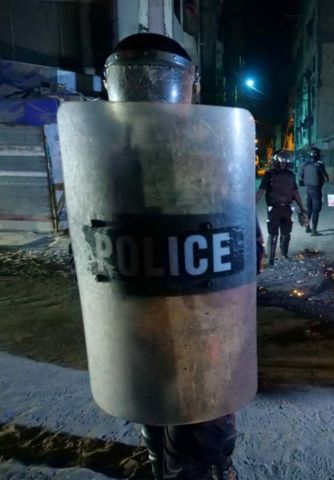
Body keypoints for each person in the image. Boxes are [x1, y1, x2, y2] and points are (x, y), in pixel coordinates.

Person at [102, 33, 239, 480]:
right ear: (187, 87)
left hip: (139, 327)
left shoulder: (109, 152)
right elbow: (240, 252)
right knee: (194, 429)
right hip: (193, 329)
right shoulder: (204, 148)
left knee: (160, 419)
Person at [256, 150, 306, 266]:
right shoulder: (290, 175)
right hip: (287, 208)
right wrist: (302, 208)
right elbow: (296, 193)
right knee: (286, 233)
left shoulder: (269, 174)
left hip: (274, 209)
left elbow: (260, 192)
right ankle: (284, 255)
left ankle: (272, 259)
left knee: (274, 234)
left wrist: (250, 205)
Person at [299, 147, 329, 236]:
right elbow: (326, 178)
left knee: (309, 209)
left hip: (308, 190)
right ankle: (314, 231)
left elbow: (301, 177)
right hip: (316, 190)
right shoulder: (319, 165)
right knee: (316, 210)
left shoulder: (306, 164)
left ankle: (307, 228)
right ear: (318, 155)